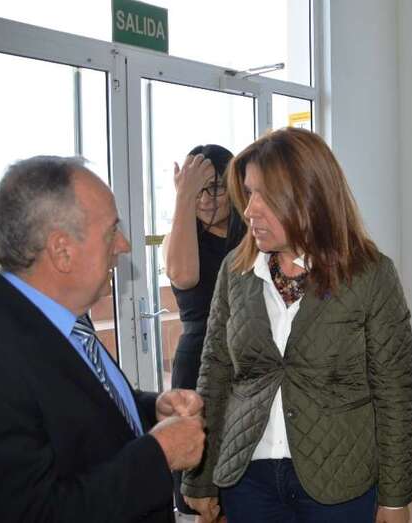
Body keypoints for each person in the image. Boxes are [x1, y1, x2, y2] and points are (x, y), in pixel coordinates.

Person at [181, 127, 412, 523]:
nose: (250, 209)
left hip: (339, 479)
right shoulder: (236, 271)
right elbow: (215, 374)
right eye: (248, 193)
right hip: (248, 476)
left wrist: (395, 498)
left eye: (264, 196)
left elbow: (394, 391)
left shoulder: (371, 274)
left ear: (310, 197)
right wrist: (200, 476)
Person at [0, 156, 206, 522]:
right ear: (62, 250)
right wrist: (159, 453)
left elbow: (80, 418)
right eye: (112, 231)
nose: (123, 245)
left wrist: (150, 409)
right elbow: (34, 513)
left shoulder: (65, 316)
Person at [162, 144, 245, 518]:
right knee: (200, 481)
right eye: (200, 188)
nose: (208, 199)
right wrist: (184, 198)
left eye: (218, 187)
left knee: (243, 477)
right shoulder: (180, 236)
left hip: (246, 357)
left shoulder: (253, 236)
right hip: (197, 360)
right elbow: (184, 275)